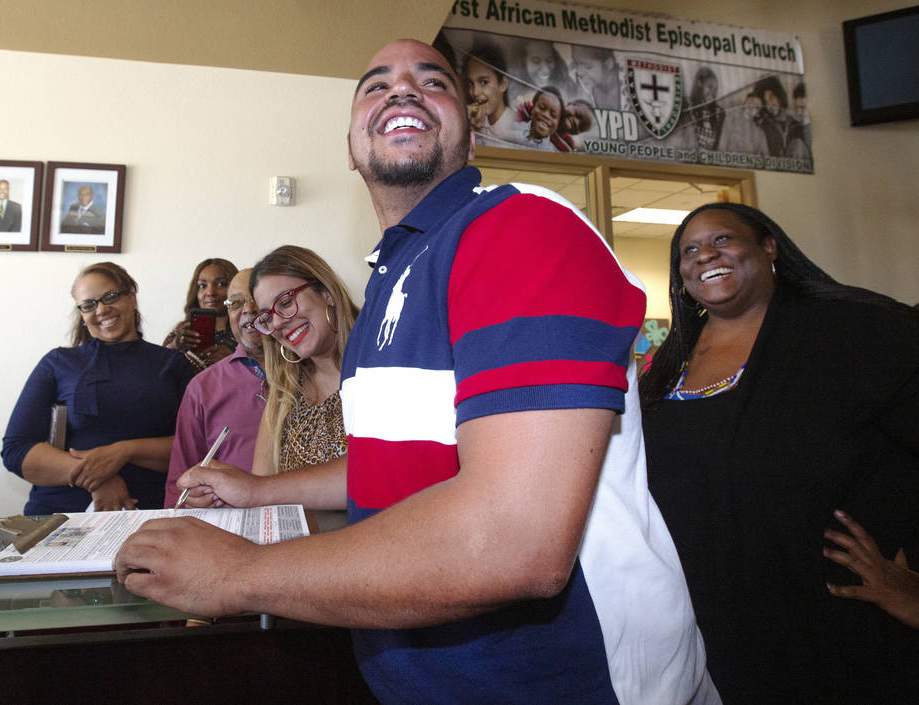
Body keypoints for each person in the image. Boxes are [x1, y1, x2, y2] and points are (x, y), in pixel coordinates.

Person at [116, 38, 717, 704]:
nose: (402, 89)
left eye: (432, 82)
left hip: (566, 683)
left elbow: (514, 540)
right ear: (350, 146)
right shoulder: (387, 280)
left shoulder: (520, 228)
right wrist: (256, 491)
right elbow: (400, 462)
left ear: (473, 126)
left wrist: (242, 573)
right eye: (375, 86)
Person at [639, 203, 919, 703]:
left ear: (770, 247)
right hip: (718, 640)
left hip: (842, 640)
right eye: (689, 250)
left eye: (722, 239)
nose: (705, 255)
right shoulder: (669, 363)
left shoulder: (855, 331)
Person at [2, 262, 194, 514]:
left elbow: (195, 446)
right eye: (89, 304)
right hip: (61, 513)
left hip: (149, 511)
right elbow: (17, 449)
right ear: (81, 314)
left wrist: (124, 451)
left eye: (110, 297)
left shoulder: (173, 364)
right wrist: (99, 478)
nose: (102, 309)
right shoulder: (58, 363)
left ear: (132, 298)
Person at [246, 245, 358, 476]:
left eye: (285, 302)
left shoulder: (380, 365)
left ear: (326, 292)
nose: (276, 324)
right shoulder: (284, 395)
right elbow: (260, 487)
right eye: (266, 317)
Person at [163, 268, 267, 507]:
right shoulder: (203, 387)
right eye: (236, 303)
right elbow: (178, 484)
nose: (248, 309)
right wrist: (188, 501)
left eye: (257, 300)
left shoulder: (315, 374)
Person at [163, 258, 239, 372]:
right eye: (203, 286)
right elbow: (157, 369)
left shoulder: (246, 332)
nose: (210, 292)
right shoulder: (182, 331)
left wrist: (234, 360)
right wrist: (175, 345)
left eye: (220, 284)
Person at [463, 44, 521, 146]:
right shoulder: (472, 123)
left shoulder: (518, 128)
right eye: (471, 83)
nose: (475, 92)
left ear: (503, 84)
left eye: (484, 82)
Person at [754, 76, 809, 159]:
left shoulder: (797, 125)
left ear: (779, 96)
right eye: (765, 102)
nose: (770, 105)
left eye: (772, 98)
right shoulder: (762, 128)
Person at [571, 44, 625, 110]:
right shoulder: (579, 83)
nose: (579, 72)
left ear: (608, 65)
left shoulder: (625, 80)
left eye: (588, 67)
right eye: (575, 64)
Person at [685, 67, 724, 152]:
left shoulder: (719, 112)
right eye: (709, 87)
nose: (712, 93)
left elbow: (717, 146)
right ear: (699, 83)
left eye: (715, 89)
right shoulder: (688, 107)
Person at [717, 91, 768, 156]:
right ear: (746, 99)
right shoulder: (731, 117)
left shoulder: (760, 133)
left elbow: (767, 157)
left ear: (758, 114)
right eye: (752, 100)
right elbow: (722, 146)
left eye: (757, 107)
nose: (752, 106)